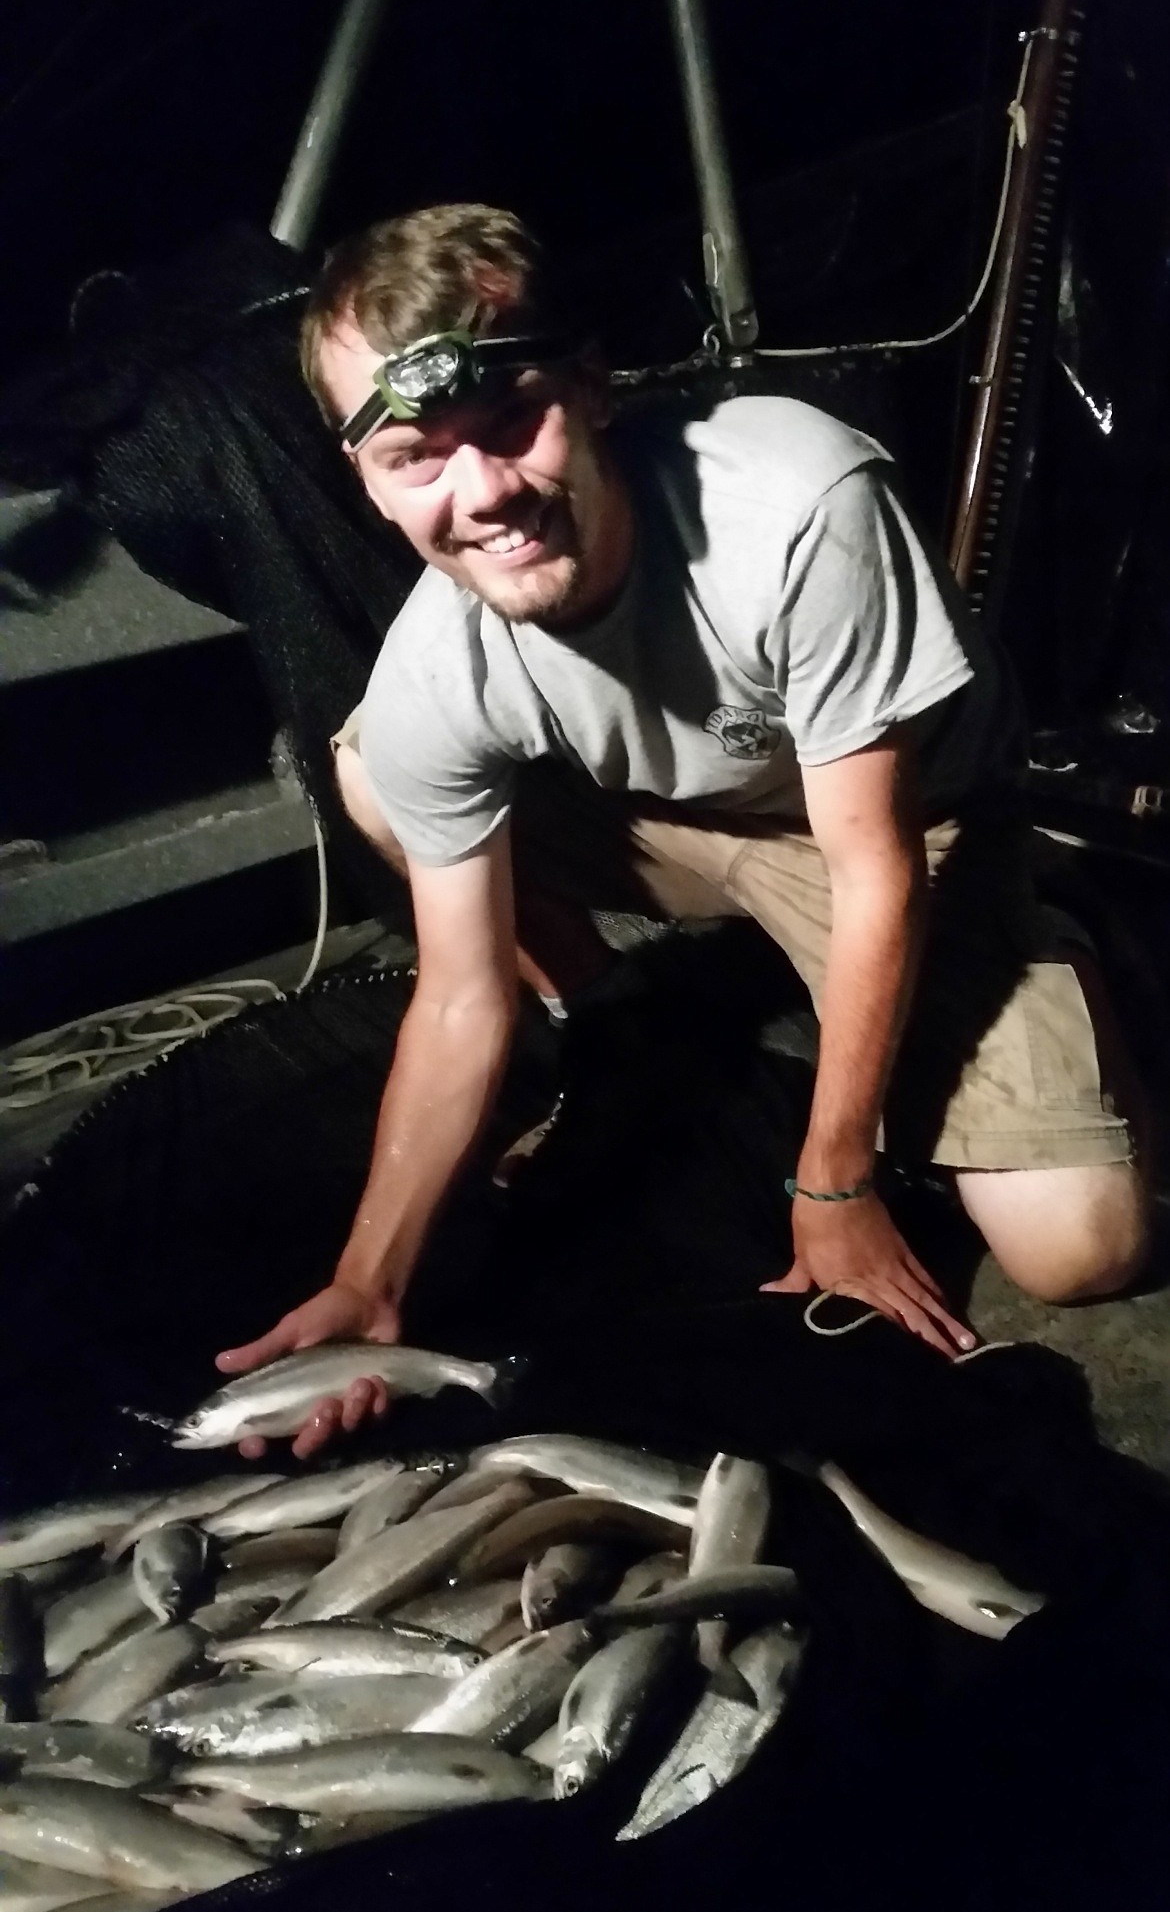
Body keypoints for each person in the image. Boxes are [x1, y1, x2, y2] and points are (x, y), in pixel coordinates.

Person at [215, 203, 1149, 1458]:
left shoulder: (794, 498)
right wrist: (370, 1281)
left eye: (513, 422)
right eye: (417, 458)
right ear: (370, 484)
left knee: (1084, 1246)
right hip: (677, 817)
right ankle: (624, 1021)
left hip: (891, 825)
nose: (482, 492)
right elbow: (459, 995)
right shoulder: (440, 667)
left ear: (595, 388)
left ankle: (1068, 932)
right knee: (379, 769)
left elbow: (873, 867)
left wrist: (834, 1182)